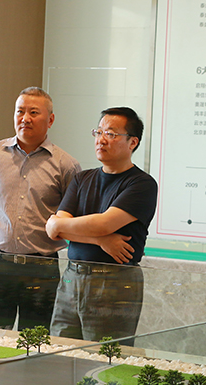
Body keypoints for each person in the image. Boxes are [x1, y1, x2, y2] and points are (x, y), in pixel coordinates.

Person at [0, 87, 81, 330]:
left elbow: (71, 218)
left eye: (34, 112)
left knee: (36, 340)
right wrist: (1, 236)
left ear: (50, 120)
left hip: (42, 268)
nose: (25, 118)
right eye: (20, 111)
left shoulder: (66, 165)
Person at [46, 107, 158, 343]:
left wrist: (66, 226)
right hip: (72, 275)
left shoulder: (142, 184)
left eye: (111, 134)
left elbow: (104, 223)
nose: (101, 139)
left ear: (133, 142)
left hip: (113, 281)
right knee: (59, 349)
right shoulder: (82, 178)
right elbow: (54, 230)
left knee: (103, 355)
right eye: (98, 132)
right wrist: (100, 240)